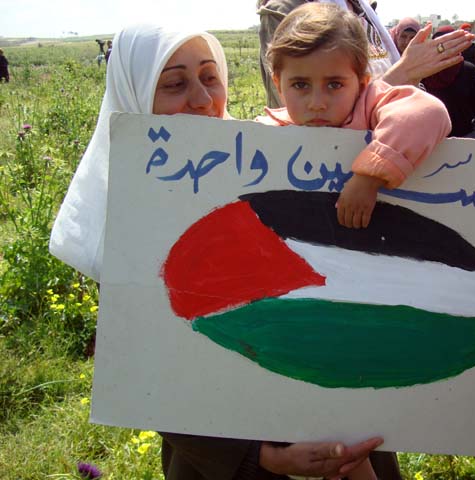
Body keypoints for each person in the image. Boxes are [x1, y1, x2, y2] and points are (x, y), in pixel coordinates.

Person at [50, 22, 400, 480]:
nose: (201, 99)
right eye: (175, 84)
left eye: (210, 77)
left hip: (345, 440)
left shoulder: (279, 160)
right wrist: (263, 455)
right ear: (136, 96)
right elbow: (152, 373)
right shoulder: (128, 222)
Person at [257, 3, 451, 230]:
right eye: (300, 85)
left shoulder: (368, 106)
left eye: (334, 84)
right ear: (278, 85)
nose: (317, 103)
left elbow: (429, 113)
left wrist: (369, 177)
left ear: (361, 83)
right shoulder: (268, 132)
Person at [257, 0, 474, 108]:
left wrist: (415, 78)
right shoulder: (285, 10)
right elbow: (308, 115)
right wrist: (402, 75)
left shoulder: (363, 10)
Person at [420, 25, 475, 140]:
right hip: (432, 141)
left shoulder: (468, 70)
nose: (443, 48)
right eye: (438, 45)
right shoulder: (425, 72)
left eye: (448, 43)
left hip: (463, 140)